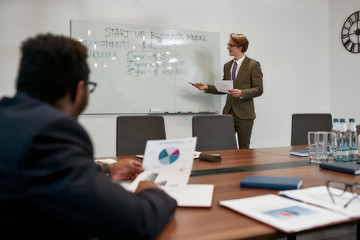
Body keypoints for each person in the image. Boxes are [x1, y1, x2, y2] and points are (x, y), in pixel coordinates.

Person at [0, 34, 177, 239]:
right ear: (79, 89)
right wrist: (151, 189)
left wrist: (107, 168)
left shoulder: (10, 118)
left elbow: (40, 167)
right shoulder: (50, 131)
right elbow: (137, 221)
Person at [194, 33, 263, 149]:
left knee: (243, 149)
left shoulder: (253, 65)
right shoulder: (227, 66)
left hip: (245, 114)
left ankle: (243, 168)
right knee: (224, 147)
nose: (228, 47)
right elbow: (224, 87)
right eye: (228, 44)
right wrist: (207, 87)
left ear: (240, 47)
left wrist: (242, 93)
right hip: (228, 113)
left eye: (231, 45)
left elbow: (259, 89)